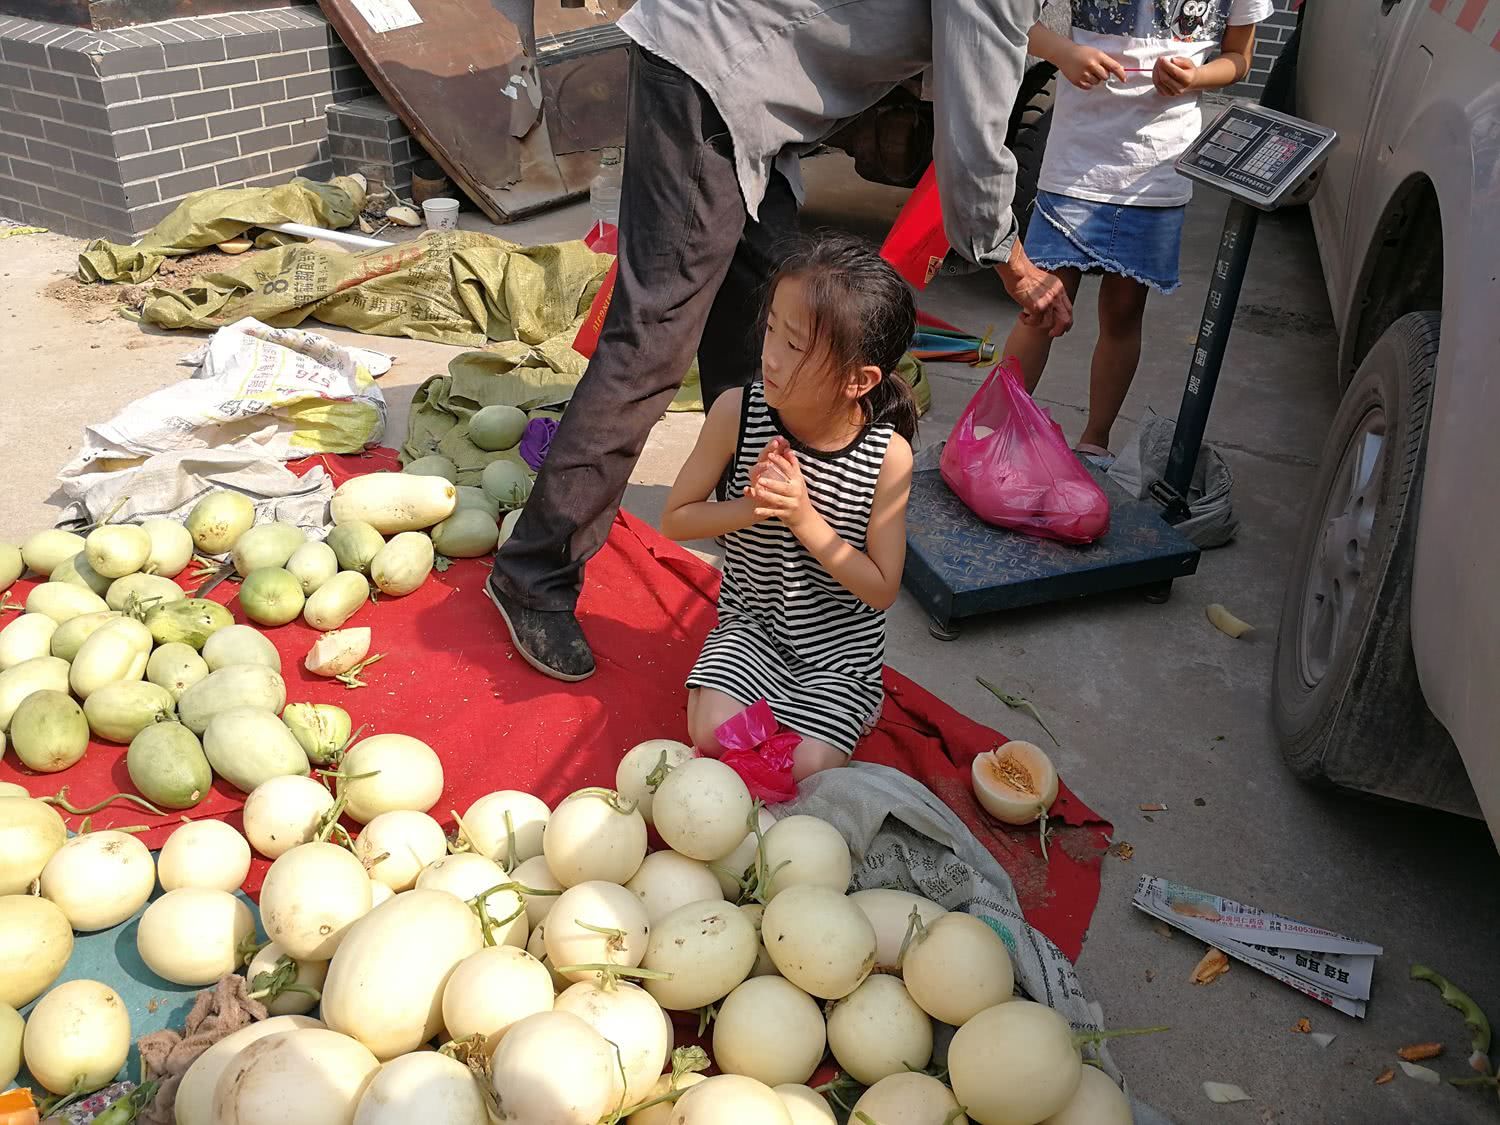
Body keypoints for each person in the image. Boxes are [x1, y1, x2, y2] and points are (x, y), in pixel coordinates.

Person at [487, 0, 1074, 682]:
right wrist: (1016, 264)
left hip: (744, 95)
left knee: (780, 301)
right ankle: (534, 571)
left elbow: (988, 32)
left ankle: (761, 572)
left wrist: (1063, 54)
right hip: (713, 73)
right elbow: (973, 129)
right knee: (653, 339)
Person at [660, 236, 916, 780]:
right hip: (752, 629)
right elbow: (676, 518)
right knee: (714, 738)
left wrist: (802, 515)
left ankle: (851, 707)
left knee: (805, 767)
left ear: (859, 380)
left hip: (839, 657)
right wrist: (752, 509)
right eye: (772, 328)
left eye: (796, 346)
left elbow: (881, 587)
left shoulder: (887, 457)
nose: (770, 354)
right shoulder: (738, 412)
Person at [1000, 0, 1270, 467]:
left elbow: (1239, 57)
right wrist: (1063, 52)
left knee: (1124, 313)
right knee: (1040, 306)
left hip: (1156, 172)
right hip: (1075, 163)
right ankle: (995, 426)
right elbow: (1016, 22)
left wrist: (1196, 77)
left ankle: (1095, 440)